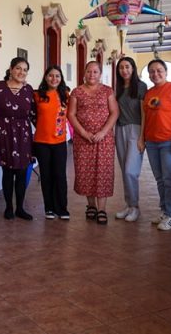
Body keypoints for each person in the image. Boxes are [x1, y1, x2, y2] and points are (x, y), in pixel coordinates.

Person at [67, 61, 118, 225]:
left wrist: (103, 132)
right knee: (86, 170)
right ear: (84, 73)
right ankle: (91, 205)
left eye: (95, 72)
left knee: (103, 171)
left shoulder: (107, 91)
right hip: (83, 139)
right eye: (89, 71)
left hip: (104, 139)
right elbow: (71, 114)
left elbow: (114, 112)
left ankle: (102, 208)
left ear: (100, 73)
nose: (92, 75)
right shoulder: (76, 92)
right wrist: (83, 133)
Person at [140, 59, 171, 231]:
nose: (155, 74)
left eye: (159, 70)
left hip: (169, 142)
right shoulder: (149, 92)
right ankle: (164, 210)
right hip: (152, 142)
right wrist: (142, 139)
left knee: (169, 179)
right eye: (152, 71)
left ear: (166, 72)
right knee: (160, 179)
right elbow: (145, 118)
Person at [0, 57, 35, 221]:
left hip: (23, 134)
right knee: (8, 171)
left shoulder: (29, 89)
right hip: (3, 132)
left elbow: (34, 113)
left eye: (25, 70)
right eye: (18, 68)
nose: (21, 72)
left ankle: (20, 208)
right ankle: (9, 207)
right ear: (10, 69)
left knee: (22, 171)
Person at [32, 65, 70, 220]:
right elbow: (31, 114)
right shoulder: (37, 95)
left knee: (60, 175)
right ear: (45, 77)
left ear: (61, 79)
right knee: (46, 175)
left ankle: (62, 208)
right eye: (50, 75)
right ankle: (48, 208)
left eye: (57, 76)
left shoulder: (66, 95)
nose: (54, 79)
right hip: (41, 142)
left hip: (60, 142)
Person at [114, 57, 147, 222]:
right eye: (121, 68)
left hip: (136, 129)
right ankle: (129, 205)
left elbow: (144, 113)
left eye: (127, 67)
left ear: (133, 68)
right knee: (123, 170)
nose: (124, 70)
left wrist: (142, 138)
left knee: (130, 171)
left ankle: (135, 207)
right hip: (119, 129)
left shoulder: (141, 87)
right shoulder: (117, 88)